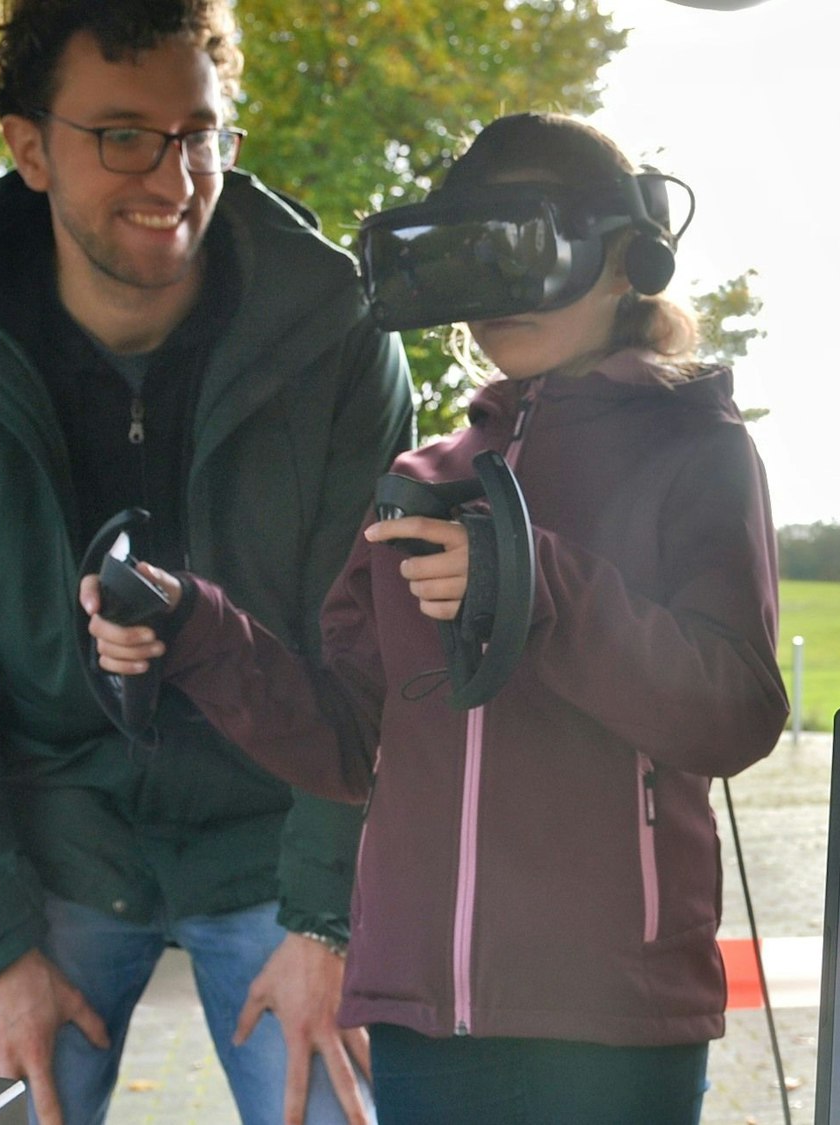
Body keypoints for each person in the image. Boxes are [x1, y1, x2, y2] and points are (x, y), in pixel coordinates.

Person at [87, 111, 789, 1124]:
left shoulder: (697, 453)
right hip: (422, 1023)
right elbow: (348, 743)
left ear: (627, 258)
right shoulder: (422, 482)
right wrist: (192, 626)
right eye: (466, 256)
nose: (492, 293)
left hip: (610, 1022)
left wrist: (536, 588)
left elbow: (732, 714)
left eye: (520, 249)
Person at [0, 1, 413, 1122]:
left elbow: (376, 657)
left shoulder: (343, 330)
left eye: (199, 132)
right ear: (28, 147)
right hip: (49, 851)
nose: (175, 173)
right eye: (123, 134)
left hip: (283, 847)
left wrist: (327, 922)